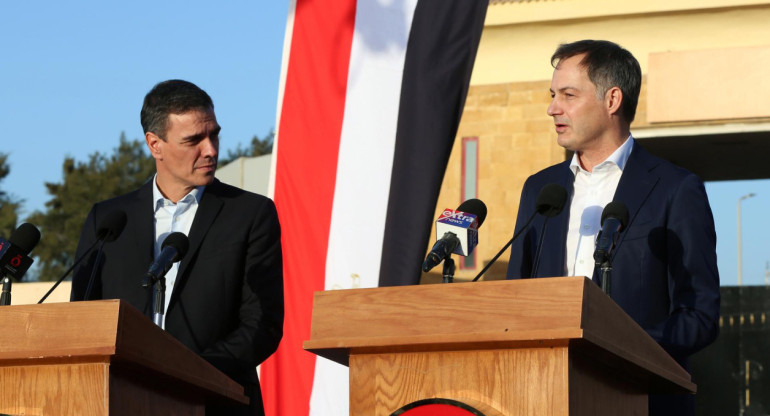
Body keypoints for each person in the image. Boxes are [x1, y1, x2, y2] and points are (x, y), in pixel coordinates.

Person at [506, 40, 720, 416]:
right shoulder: (541, 190)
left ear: (612, 100)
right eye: (553, 94)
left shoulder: (675, 189)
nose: (552, 108)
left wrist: (616, 346)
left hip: (642, 400)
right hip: (544, 397)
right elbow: (515, 302)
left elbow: (699, 317)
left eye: (568, 95)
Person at [71, 79, 283, 416]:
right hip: (120, 401)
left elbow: (262, 323)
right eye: (193, 140)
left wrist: (188, 373)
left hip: (217, 402)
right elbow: (83, 321)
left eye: (214, 134)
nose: (211, 149)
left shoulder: (250, 214)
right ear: (155, 145)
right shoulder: (108, 221)